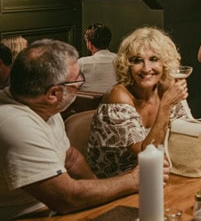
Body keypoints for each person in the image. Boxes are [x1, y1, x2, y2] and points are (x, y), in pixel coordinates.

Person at [0, 39, 160, 219]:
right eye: (77, 81)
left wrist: (99, 186)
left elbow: (70, 157)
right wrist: (133, 180)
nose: (80, 84)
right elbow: (66, 198)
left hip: (53, 208)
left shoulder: (43, 106)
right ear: (53, 94)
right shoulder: (14, 124)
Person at [87, 27, 189, 178]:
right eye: (137, 61)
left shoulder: (164, 90)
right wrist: (166, 105)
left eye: (154, 59)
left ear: (165, 63)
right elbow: (146, 154)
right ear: (127, 65)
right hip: (118, 183)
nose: (146, 68)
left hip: (156, 173)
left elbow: (185, 135)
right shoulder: (118, 97)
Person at [78, 23, 117, 93]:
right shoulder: (120, 60)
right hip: (115, 101)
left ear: (89, 44)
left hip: (87, 103)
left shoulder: (81, 63)